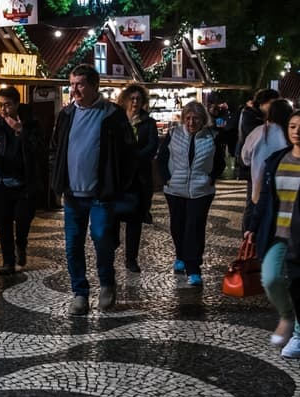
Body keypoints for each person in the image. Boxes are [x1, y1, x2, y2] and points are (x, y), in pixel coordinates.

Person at [50, 64, 134, 315]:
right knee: (72, 244)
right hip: (72, 195)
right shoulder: (66, 115)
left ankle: (107, 283)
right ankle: (80, 293)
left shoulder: (112, 114)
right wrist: (57, 175)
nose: (74, 89)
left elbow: (128, 152)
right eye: (72, 84)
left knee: (102, 239)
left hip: (100, 195)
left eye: (80, 84)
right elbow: (56, 148)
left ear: (94, 86)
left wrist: (118, 184)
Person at [244, 108, 300, 358]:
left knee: (299, 285)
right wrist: (252, 228)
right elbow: (265, 199)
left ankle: (298, 334)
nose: (297, 132)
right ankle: (287, 315)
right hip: (278, 232)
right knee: (271, 278)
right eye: (292, 126)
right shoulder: (277, 159)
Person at [157, 100, 225, 286]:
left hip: (201, 190)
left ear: (203, 119)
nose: (191, 122)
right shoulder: (174, 134)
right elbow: (162, 159)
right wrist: (167, 178)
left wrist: (210, 178)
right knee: (177, 226)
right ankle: (180, 255)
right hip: (175, 189)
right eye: (188, 118)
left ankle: (194, 268)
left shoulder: (212, 136)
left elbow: (220, 162)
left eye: (195, 119)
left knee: (194, 228)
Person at [0, 86, 45, 275]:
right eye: (0, 105)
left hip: (25, 183)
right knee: (3, 223)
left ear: (16, 104)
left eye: (7, 105)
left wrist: (20, 131)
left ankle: (21, 243)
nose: (3, 110)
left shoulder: (31, 123)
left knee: (23, 220)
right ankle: (8, 261)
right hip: (0, 182)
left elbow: (39, 149)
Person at [116, 83, 160, 273]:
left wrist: (135, 158)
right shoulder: (117, 121)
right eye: (132, 98)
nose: (135, 102)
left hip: (138, 178)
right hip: (118, 178)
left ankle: (131, 258)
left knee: (135, 220)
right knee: (113, 218)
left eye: (138, 99)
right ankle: (111, 248)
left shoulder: (148, 123)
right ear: (125, 100)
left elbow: (152, 146)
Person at [240, 98, 292, 234]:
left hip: (257, 185)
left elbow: (245, 158)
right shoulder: (289, 135)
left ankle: (248, 242)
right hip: (283, 189)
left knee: (252, 215)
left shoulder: (258, 132)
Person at [234, 88, 280, 185]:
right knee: (254, 195)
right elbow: (261, 137)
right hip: (252, 162)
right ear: (262, 102)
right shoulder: (250, 115)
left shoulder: (261, 115)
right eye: (272, 103)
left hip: (261, 162)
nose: (275, 107)